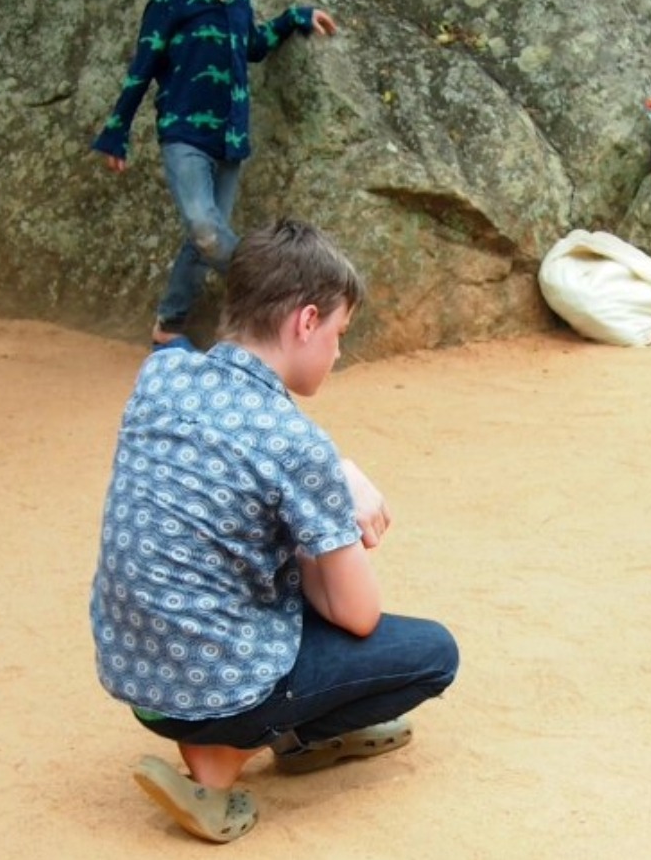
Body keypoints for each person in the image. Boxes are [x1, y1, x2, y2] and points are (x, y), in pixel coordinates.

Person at [89, 219, 459, 843]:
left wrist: (332, 476)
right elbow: (358, 615)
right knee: (432, 654)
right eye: (340, 334)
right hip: (217, 691)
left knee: (274, 579)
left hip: (136, 677)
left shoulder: (162, 375)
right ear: (305, 322)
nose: (339, 353)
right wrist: (338, 486)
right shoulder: (295, 443)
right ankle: (229, 759)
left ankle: (269, 737)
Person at [92, 0, 338, 351]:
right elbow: (143, 68)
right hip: (184, 134)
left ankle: (168, 325)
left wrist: (296, 17)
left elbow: (255, 46)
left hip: (231, 141)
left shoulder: (239, 2)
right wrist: (117, 132)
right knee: (206, 230)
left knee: (200, 238)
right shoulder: (172, 0)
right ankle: (277, 292)